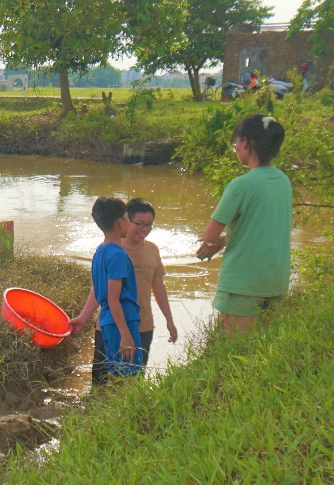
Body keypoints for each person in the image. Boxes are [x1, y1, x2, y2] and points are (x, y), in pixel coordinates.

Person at [195, 114, 292, 338]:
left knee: (238, 350)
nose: (236, 148)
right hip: (275, 279)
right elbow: (261, 229)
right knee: (265, 349)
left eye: (236, 142)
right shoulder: (283, 181)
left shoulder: (240, 185)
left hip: (243, 282)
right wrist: (225, 239)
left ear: (246, 143)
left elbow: (209, 234)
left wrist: (214, 243)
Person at [70, 198, 178, 383]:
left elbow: (158, 286)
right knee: (107, 380)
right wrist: (85, 316)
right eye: (138, 223)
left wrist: (169, 320)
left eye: (149, 225)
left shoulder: (149, 250)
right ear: (124, 221)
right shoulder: (116, 253)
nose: (144, 229)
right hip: (116, 325)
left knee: (132, 380)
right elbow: (104, 292)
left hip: (140, 324)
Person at [71, 197, 143, 381]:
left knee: (115, 375)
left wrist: (82, 318)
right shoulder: (117, 255)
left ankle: (111, 409)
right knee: (130, 379)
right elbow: (113, 299)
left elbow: (98, 289)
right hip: (122, 321)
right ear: (120, 222)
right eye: (127, 218)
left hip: (108, 322)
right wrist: (126, 334)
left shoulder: (100, 251)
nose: (129, 223)